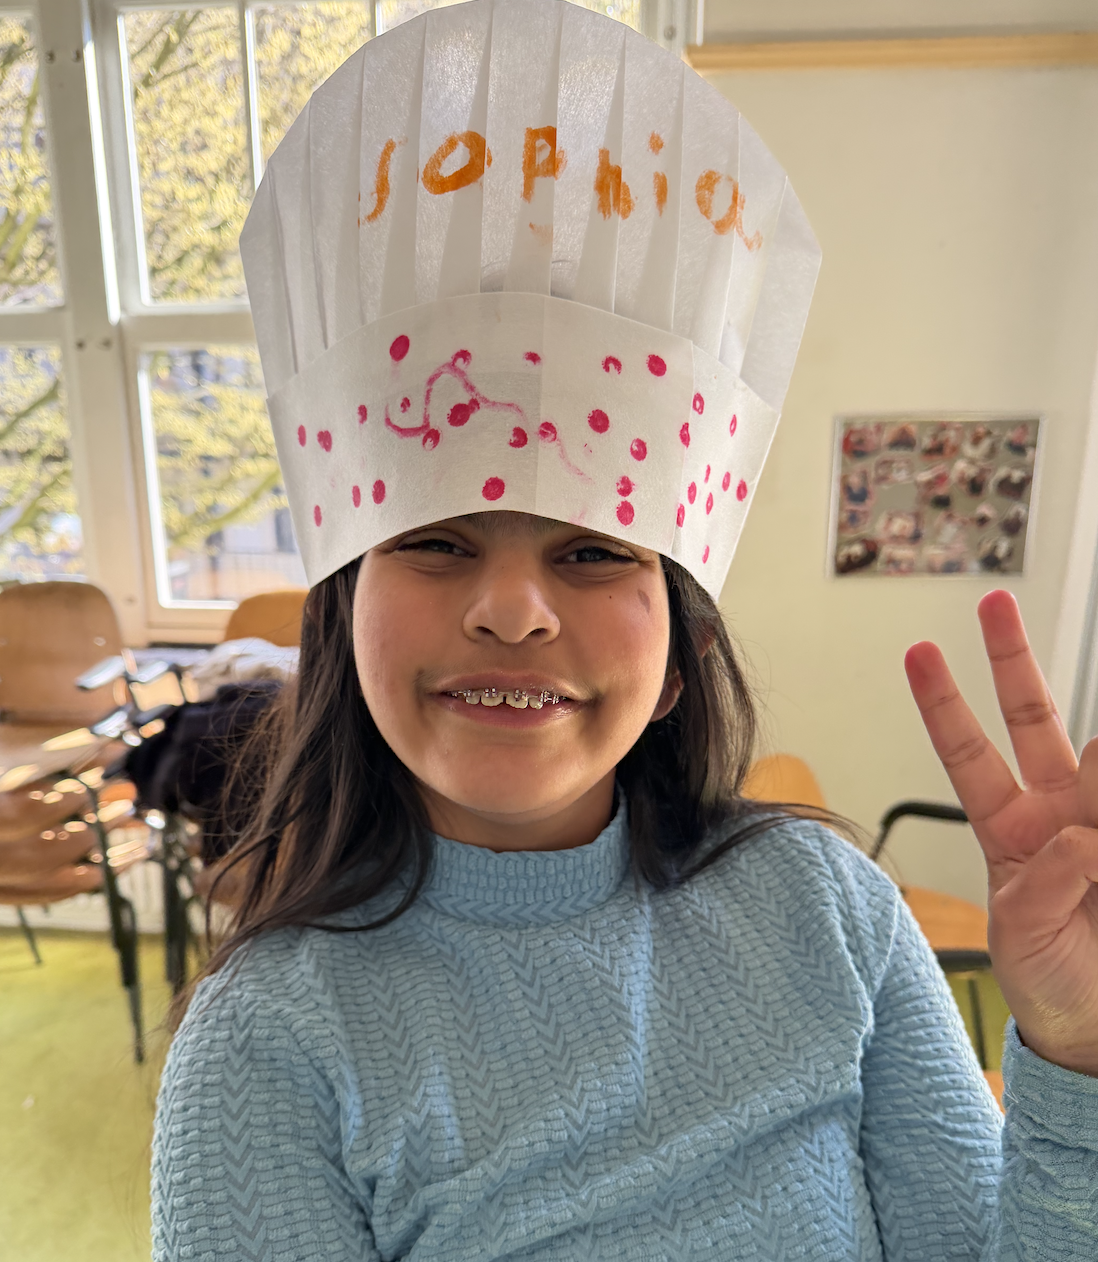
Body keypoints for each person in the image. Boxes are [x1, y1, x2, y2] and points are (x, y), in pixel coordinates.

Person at [152, 4, 1098, 1258]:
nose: (512, 606)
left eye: (593, 550)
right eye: (437, 538)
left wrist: (1073, 1051)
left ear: (678, 662)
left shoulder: (827, 909)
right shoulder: (266, 1044)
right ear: (341, 617)